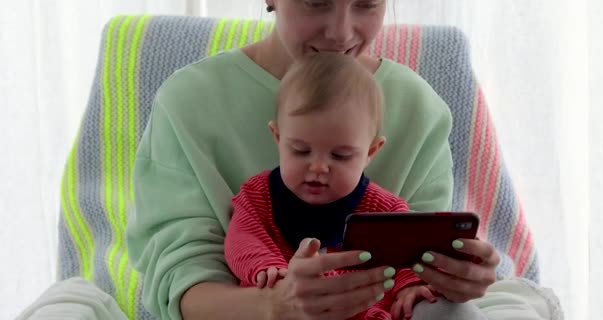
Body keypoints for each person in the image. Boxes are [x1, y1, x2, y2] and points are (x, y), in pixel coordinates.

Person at [126, 0, 500, 319]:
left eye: (367, 3)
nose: (341, 33)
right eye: (316, 1)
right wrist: (276, 304)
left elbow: (416, 269)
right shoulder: (189, 102)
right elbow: (182, 287)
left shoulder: (419, 108)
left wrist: (450, 279)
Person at [224, 52, 487, 320]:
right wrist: (266, 267)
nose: (318, 168)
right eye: (301, 151)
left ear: (371, 152)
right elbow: (243, 238)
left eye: (340, 156)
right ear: (278, 138)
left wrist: (412, 286)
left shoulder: (386, 211)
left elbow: (405, 259)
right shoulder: (257, 196)